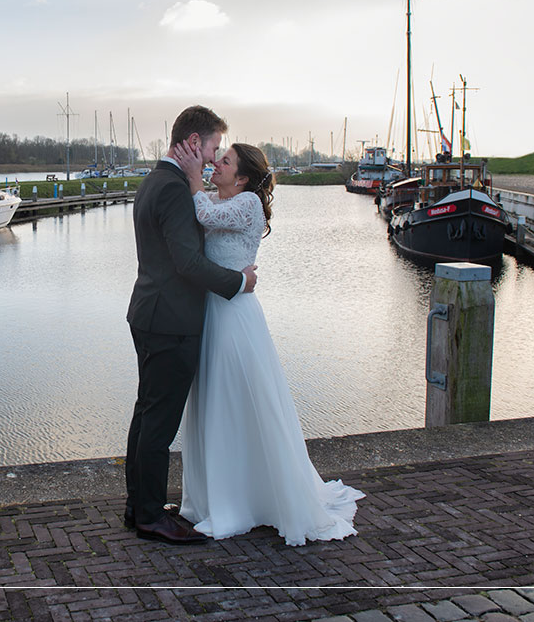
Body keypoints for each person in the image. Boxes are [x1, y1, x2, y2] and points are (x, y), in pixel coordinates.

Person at [172, 140, 364, 544]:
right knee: (212, 398)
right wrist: (194, 184)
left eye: (224, 162)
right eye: (216, 160)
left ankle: (246, 498)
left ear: (242, 177)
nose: (215, 166)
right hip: (212, 309)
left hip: (234, 316)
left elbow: (203, 214)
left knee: (235, 397)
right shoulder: (216, 197)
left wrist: (190, 178)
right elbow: (199, 214)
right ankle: (214, 496)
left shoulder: (247, 204)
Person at [125, 105, 259, 545]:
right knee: (158, 424)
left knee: (146, 415)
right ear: (194, 143)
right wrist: (239, 281)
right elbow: (188, 263)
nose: (213, 156)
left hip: (150, 313)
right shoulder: (173, 189)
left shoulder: (156, 180)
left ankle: (139, 507)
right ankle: (149, 517)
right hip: (171, 321)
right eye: (214, 147)